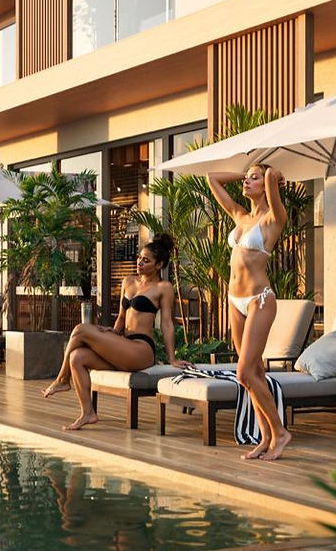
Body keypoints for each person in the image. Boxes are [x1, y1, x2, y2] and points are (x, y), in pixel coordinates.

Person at [41, 233, 189, 431]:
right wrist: (113, 332)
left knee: (80, 330)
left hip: (140, 350)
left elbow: (167, 324)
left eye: (146, 260)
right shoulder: (128, 282)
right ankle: (88, 413)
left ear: (159, 265)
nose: (140, 263)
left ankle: (61, 380)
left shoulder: (163, 287)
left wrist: (172, 357)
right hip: (123, 345)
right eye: (139, 258)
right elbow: (121, 317)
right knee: (77, 357)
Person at [206, 165, 291, 461]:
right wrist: (244, 170)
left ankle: (280, 432)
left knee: (244, 371)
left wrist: (271, 174)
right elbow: (213, 178)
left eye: (254, 177)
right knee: (250, 375)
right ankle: (265, 436)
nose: (247, 180)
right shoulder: (240, 216)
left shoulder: (273, 218)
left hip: (260, 299)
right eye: (247, 177)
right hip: (234, 300)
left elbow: (271, 178)